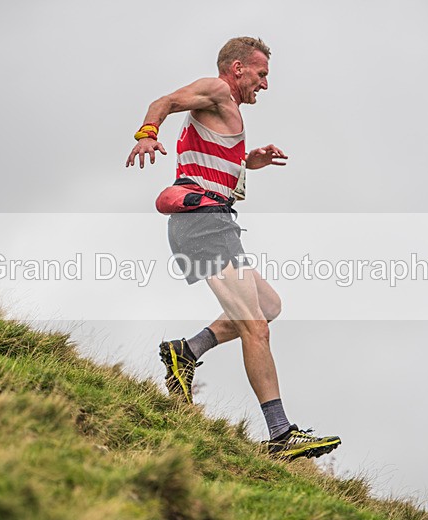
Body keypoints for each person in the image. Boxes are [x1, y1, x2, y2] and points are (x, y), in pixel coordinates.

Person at [126, 37, 340, 460]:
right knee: (254, 326)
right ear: (238, 68)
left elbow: (210, 160)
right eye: (261, 75)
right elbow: (164, 101)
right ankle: (280, 435)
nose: (264, 84)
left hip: (213, 222)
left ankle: (186, 352)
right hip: (204, 222)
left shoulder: (226, 112)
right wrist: (148, 134)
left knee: (269, 305)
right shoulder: (218, 89)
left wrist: (248, 163)